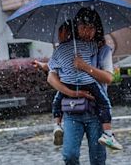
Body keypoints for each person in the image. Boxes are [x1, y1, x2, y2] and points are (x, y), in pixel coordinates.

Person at [47, 8, 122, 164]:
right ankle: (57, 125)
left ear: (97, 29)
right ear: (76, 27)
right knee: (69, 156)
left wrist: (84, 66)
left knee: (97, 159)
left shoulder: (102, 49)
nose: (87, 32)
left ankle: (109, 134)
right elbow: (51, 77)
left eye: (91, 28)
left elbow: (108, 78)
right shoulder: (67, 48)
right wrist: (73, 93)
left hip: (96, 113)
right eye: (83, 27)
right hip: (72, 111)